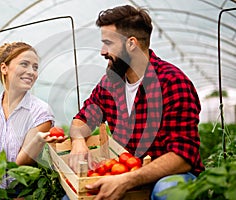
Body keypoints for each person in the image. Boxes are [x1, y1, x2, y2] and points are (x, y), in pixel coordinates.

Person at [67, 5, 204, 200]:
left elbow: (182, 156)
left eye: (108, 43)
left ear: (131, 44)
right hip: (125, 172)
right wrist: (79, 141)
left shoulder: (172, 82)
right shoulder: (111, 83)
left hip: (168, 175)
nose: (102, 51)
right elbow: (81, 120)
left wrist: (127, 179)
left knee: (168, 190)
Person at [0, 42, 66, 190]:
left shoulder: (41, 112)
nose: (31, 72)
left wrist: (37, 141)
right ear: (4, 68)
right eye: (24, 64)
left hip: (18, 189)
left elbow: (20, 164)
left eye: (35, 67)